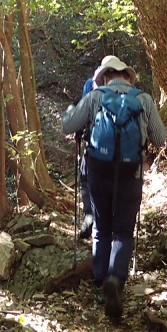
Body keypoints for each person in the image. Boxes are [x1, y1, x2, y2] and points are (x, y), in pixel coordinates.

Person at [61, 55, 166, 322]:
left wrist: (71, 111)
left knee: (102, 226)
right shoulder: (143, 100)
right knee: (123, 230)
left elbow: (67, 126)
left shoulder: (96, 97)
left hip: (98, 169)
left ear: (105, 76)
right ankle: (116, 279)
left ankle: (100, 283)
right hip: (131, 171)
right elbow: (161, 138)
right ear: (127, 76)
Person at [76, 73, 96, 239]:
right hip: (124, 154)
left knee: (86, 181)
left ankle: (89, 216)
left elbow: (81, 117)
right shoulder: (126, 95)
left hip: (93, 152)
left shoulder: (90, 85)